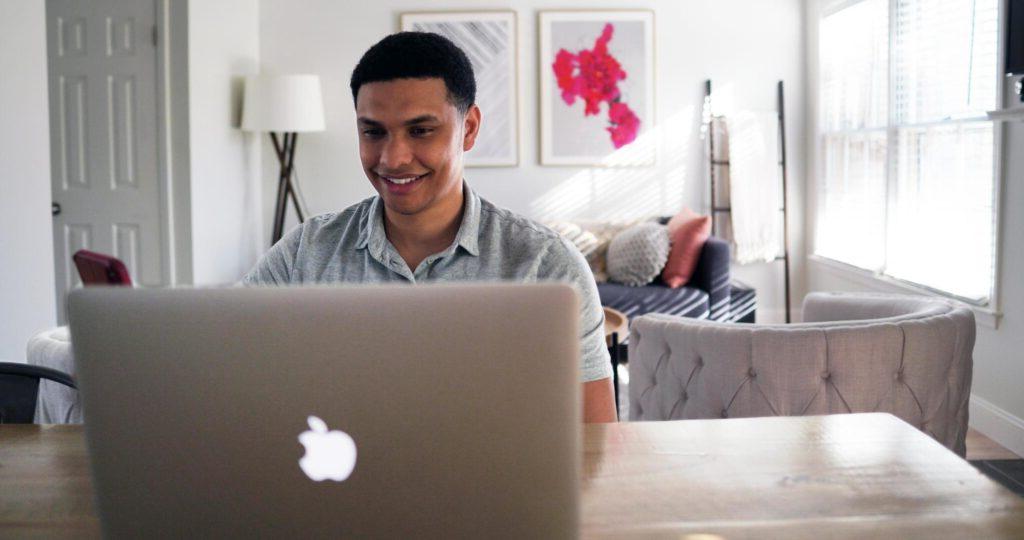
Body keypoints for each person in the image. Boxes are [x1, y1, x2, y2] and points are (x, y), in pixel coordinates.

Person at [242, 32, 616, 422]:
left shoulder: (547, 265)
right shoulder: (306, 253)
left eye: (420, 131)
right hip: (338, 479)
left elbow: (599, 443)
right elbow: (224, 363)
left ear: (469, 128)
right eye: (373, 132)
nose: (393, 158)